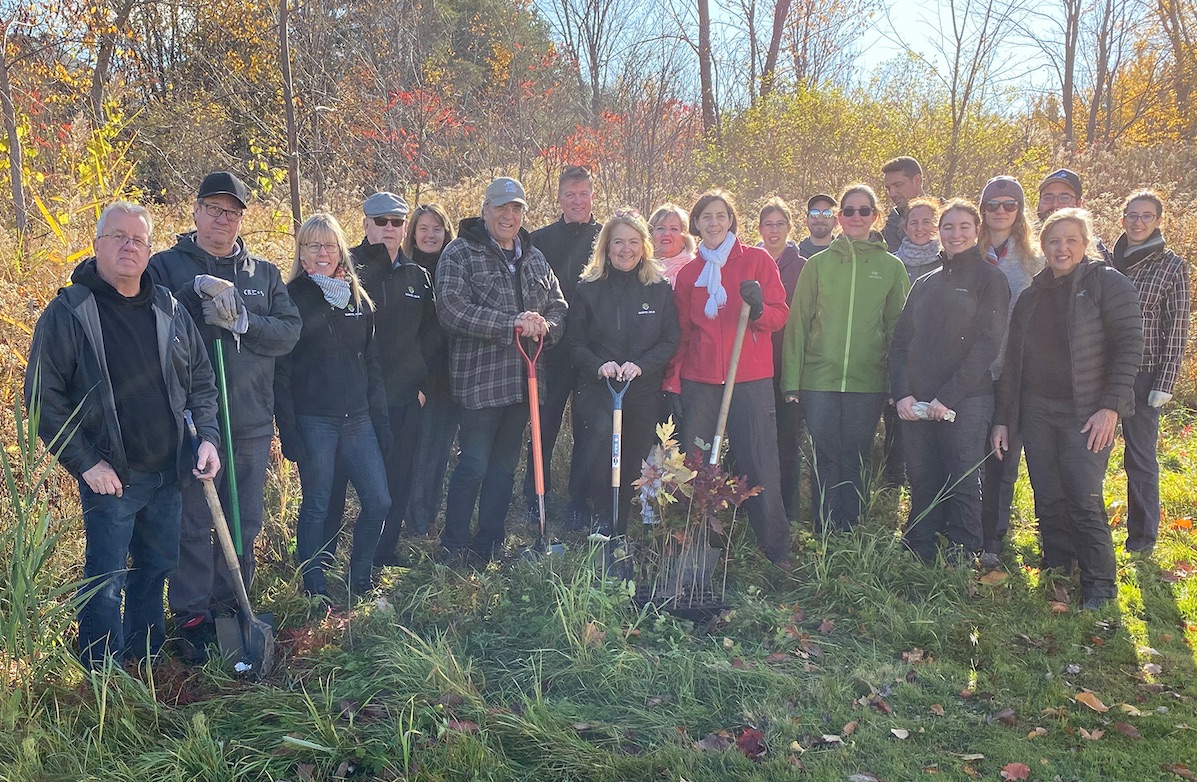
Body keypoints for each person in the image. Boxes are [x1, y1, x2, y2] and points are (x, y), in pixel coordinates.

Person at [26, 201, 221, 669]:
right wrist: (87, 463)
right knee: (106, 579)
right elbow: (42, 399)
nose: (129, 246)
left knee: (155, 569)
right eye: (118, 237)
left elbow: (201, 381)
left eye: (138, 239)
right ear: (97, 245)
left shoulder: (168, 308)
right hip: (112, 475)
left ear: (149, 250)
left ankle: (144, 657)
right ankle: (99, 670)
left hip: (167, 471)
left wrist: (208, 437)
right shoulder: (70, 312)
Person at [147, 171, 301, 662]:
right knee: (194, 523)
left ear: (241, 219)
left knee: (244, 519)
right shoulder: (165, 266)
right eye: (213, 209)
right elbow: (146, 320)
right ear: (195, 211)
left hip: (250, 419)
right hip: (191, 423)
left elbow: (289, 332)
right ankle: (192, 614)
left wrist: (245, 322)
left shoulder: (263, 275)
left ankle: (232, 605)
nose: (221, 220)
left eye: (231, 212)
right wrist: (190, 297)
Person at [992, 208, 1143, 610]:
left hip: (1087, 412)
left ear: (1086, 243)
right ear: (1042, 246)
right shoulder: (1032, 295)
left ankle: (1100, 585)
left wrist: (1110, 408)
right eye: (1054, 241)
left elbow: (1130, 346)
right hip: (1037, 410)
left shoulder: (1107, 283)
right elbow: (1013, 364)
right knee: (1047, 493)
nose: (1062, 248)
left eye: (1071, 240)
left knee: (1083, 496)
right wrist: (1004, 419)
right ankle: (1058, 566)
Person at [436, 177, 568, 563]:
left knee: (504, 468)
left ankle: (489, 544)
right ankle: (454, 545)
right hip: (480, 384)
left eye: (516, 208)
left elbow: (558, 306)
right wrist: (511, 324)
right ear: (485, 210)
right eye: (501, 207)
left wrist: (545, 326)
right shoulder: (460, 252)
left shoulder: (534, 256)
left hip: (523, 383)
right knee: (474, 464)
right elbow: (452, 310)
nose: (508, 215)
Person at [672, 189, 791, 568]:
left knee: (759, 461)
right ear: (696, 223)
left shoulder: (756, 261)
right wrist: (675, 381)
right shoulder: (689, 274)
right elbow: (683, 333)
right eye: (706, 216)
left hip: (749, 379)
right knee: (695, 466)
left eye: (721, 215)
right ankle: (696, 543)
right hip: (701, 381)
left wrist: (757, 309)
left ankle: (775, 550)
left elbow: (779, 315)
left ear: (731, 220)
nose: (714, 223)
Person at [274, 213, 391, 601]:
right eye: (313, 245)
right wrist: (288, 431)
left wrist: (380, 420)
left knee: (379, 500)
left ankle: (361, 579)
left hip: (358, 420)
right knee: (318, 505)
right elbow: (281, 373)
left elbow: (372, 364)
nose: (322, 253)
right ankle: (314, 589)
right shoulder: (291, 298)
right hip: (314, 421)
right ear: (302, 253)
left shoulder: (358, 299)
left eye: (329, 245)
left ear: (341, 250)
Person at [781, 184, 910, 532]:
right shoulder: (817, 265)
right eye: (849, 211)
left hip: (867, 381)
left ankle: (851, 529)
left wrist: (897, 384)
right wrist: (791, 381)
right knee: (824, 455)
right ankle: (823, 527)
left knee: (855, 454)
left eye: (864, 210)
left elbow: (898, 330)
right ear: (839, 217)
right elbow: (798, 324)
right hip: (819, 379)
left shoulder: (891, 267)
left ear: (875, 216)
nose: (856, 217)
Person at [322, 192, 441, 567]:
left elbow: (432, 335)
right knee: (336, 482)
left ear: (405, 228)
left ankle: (382, 552)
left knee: (398, 478)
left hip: (404, 398)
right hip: (353, 400)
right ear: (365, 224)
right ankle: (323, 558)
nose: (389, 228)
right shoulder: (345, 269)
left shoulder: (417, 276)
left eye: (396, 222)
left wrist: (422, 386)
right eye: (380, 221)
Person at [890, 200, 1010, 561]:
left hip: (966, 400)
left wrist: (947, 397)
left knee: (962, 477)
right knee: (922, 475)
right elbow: (900, 343)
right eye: (948, 227)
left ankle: (963, 552)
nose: (955, 234)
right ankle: (919, 547)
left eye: (963, 226)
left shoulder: (990, 279)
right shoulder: (925, 283)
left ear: (977, 231)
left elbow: (986, 346)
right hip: (917, 401)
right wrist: (902, 394)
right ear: (938, 232)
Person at [566, 210, 679, 534]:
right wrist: (598, 365)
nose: (625, 249)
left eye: (633, 242)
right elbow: (574, 342)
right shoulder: (589, 288)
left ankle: (622, 521)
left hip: (641, 389)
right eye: (618, 242)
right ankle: (601, 515)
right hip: (599, 387)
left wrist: (641, 365)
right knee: (597, 449)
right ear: (607, 246)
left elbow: (670, 339)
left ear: (643, 246)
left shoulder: (659, 288)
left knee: (633, 455)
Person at [519, 166, 601, 530]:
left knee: (586, 430)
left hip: (592, 352)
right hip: (549, 350)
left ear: (592, 196)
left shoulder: (607, 237)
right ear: (559, 198)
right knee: (543, 428)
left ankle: (578, 502)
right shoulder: (539, 240)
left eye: (583, 194)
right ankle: (535, 496)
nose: (577, 201)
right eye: (570, 194)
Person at [1110, 190, 1191, 555]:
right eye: (1132, 215)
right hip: (1101, 369)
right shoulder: (1108, 259)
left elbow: (1177, 326)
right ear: (1123, 218)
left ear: (1158, 220)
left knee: (1140, 457)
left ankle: (1142, 538)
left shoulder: (1171, 265)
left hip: (1143, 374)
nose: (1138, 222)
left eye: (1146, 216)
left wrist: (1165, 380)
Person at [976, 176, 1043, 564]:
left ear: (1020, 211)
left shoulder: (1035, 259)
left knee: (1003, 457)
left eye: (1010, 204)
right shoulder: (970, 251)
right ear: (982, 210)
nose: (1000, 211)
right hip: (973, 371)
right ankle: (964, 526)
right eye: (993, 204)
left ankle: (994, 536)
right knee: (969, 453)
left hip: (1015, 372)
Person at [404, 204, 459, 538]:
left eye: (437, 228)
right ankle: (415, 521)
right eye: (423, 228)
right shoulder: (405, 270)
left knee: (439, 452)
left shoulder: (455, 268)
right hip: (418, 380)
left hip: (451, 378)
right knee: (418, 452)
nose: (430, 235)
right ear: (413, 233)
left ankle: (428, 517)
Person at [758, 197, 806, 520]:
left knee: (787, 441)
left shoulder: (802, 266)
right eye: (767, 224)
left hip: (788, 364)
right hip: (755, 365)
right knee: (757, 440)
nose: (773, 231)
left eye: (779, 224)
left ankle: (788, 512)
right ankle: (753, 506)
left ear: (790, 228)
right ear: (759, 229)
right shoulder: (751, 261)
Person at [881, 157, 925, 252]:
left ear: (917, 180)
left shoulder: (948, 216)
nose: (892, 194)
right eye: (888, 189)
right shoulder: (888, 229)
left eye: (898, 185)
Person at [893, 197, 941, 283]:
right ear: (905, 228)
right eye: (913, 223)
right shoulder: (893, 263)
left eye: (926, 222)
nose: (919, 228)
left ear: (936, 226)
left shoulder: (947, 260)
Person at [649, 203, 697, 286]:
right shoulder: (641, 268)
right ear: (650, 234)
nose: (666, 233)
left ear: (685, 237)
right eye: (660, 228)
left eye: (674, 229)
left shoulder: (695, 269)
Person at [798, 193, 836, 259]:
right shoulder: (796, 255)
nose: (820, 219)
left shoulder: (845, 253)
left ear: (836, 221)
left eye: (827, 214)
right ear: (806, 221)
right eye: (814, 213)